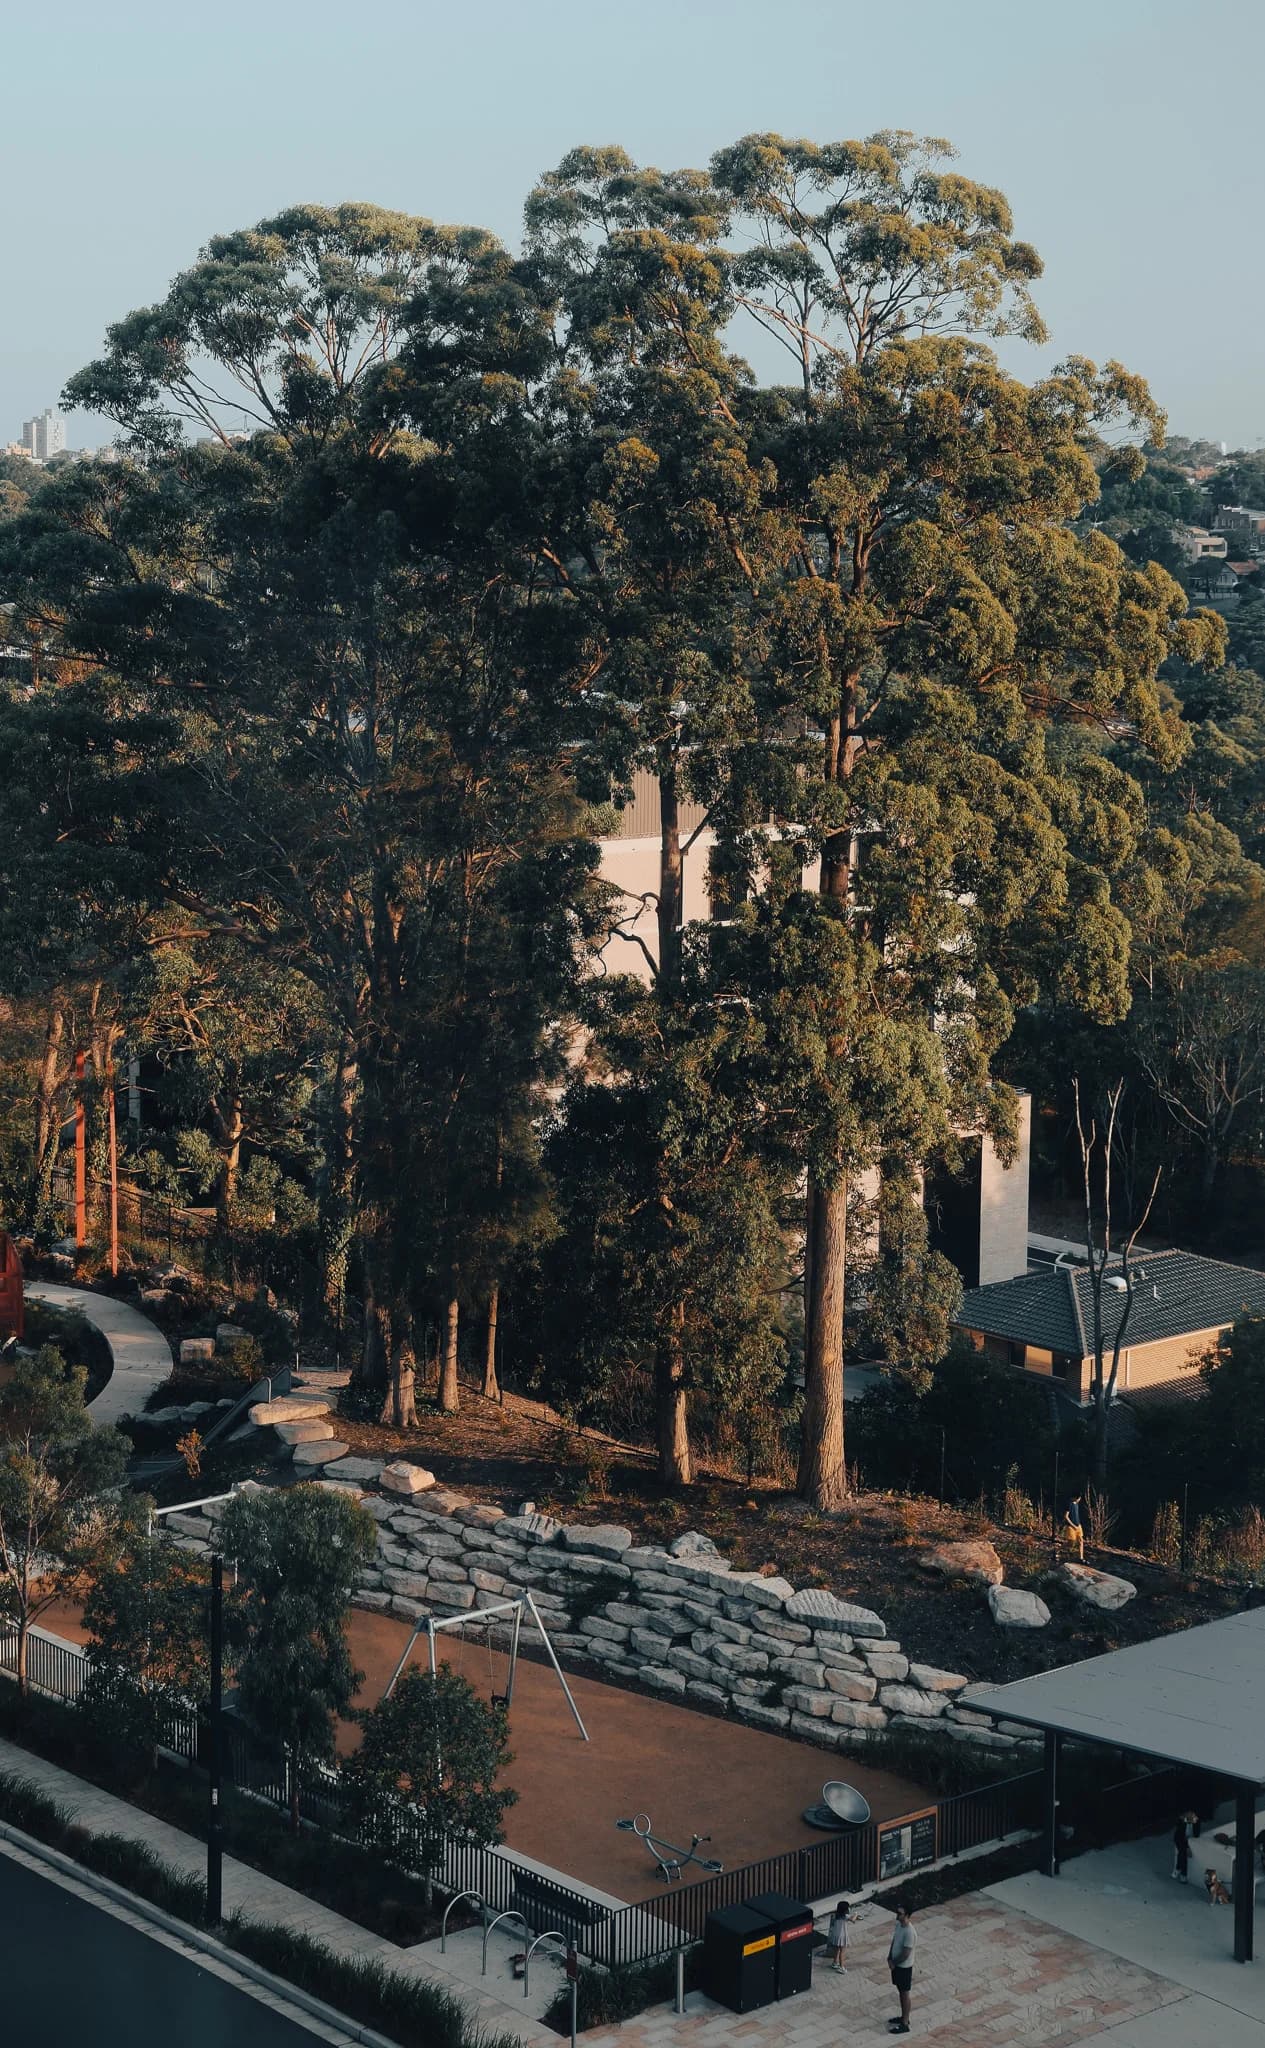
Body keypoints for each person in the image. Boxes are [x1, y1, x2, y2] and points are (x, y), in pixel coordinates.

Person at [887, 1901, 916, 2034]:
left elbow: (906, 1953)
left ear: (907, 1915)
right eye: (897, 1913)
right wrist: (889, 1956)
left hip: (903, 1967)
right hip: (896, 1964)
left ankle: (905, 2022)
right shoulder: (899, 1925)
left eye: (900, 1914)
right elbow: (894, 1941)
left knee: (905, 1993)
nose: (897, 1916)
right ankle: (903, 2016)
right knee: (900, 1991)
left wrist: (894, 1962)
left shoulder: (910, 1932)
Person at [826, 1899, 851, 1972]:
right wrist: (856, 1914)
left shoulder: (836, 1915)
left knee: (837, 1950)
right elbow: (853, 1920)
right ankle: (841, 1967)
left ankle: (834, 1962)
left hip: (836, 1935)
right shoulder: (845, 1916)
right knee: (842, 1951)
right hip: (842, 1935)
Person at [1063, 1494, 1085, 1561]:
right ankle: (1057, 1550)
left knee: (1081, 1541)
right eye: (1079, 1498)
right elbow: (1066, 1516)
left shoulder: (1077, 1505)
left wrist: (1078, 1525)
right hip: (1071, 1526)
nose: (1079, 1500)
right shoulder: (1069, 1504)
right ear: (1076, 1498)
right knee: (1070, 1543)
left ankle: (1081, 1558)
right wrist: (1073, 1526)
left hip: (1078, 1525)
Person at [1172, 1813, 1190, 1883]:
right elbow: (1181, 1836)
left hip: (1184, 1838)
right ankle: (1183, 1874)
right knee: (1183, 1853)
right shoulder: (1182, 1822)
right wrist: (1187, 1847)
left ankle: (1178, 1869)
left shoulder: (1193, 1820)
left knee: (1181, 1853)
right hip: (1179, 1838)